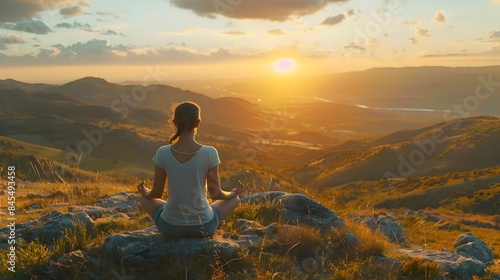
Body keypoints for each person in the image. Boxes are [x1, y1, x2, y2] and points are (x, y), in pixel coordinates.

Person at [137, 101, 245, 238]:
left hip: (170, 227)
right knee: (234, 199)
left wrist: (146, 193)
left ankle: (172, 214)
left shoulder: (162, 153)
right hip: (203, 226)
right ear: (198, 123)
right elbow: (216, 194)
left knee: (144, 199)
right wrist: (233, 192)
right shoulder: (210, 152)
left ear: (175, 123)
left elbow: (157, 193)